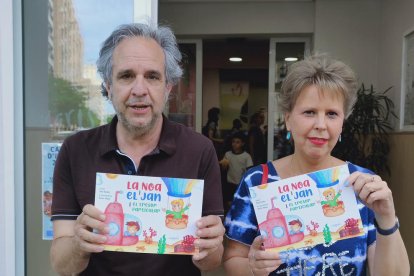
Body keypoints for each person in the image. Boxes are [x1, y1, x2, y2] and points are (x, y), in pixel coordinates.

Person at [50, 22, 224, 276]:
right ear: (109, 86)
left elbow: (213, 262)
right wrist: (78, 244)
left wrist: (210, 247)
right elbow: (61, 266)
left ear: (168, 87)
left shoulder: (199, 150)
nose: (139, 90)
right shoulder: (75, 150)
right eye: (126, 76)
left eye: (152, 76)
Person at [223, 54, 410, 275]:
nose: (321, 125)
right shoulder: (257, 182)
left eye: (332, 114)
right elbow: (232, 259)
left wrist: (386, 217)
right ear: (288, 118)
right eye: (309, 112)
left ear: (342, 123)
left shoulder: (361, 184)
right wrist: (253, 268)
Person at [219, 131, 253, 210]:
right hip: (230, 183)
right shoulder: (228, 154)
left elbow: (249, 171)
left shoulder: (246, 156)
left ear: (242, 144)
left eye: (237, 142)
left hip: (241, 184)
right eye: (233, 142)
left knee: (240, 204)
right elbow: (223, 166)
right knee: (229, 203)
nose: (234, 144)